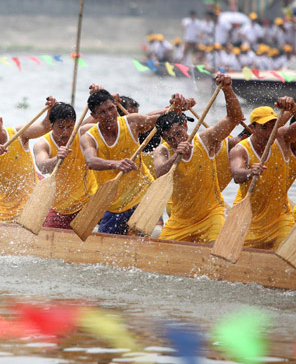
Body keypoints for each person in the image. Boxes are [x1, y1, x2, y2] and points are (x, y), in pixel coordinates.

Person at [80, 89, 190, 235]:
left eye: (111, 109)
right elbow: (91, 161)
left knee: (143, 240)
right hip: (115, 205)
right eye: (102, 112)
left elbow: (160, 119)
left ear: (115, 106)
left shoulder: (132, 122)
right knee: (105, 247)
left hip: (144, 194)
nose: (109, 115)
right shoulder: (89, 137)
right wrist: (115, 164)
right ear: (94, 115)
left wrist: (177, 106)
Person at [153, 74, 243, 243]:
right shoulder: (162, 151)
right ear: (164, 139)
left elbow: (234, 118)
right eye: (170, 139)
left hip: (211, 216)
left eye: (178, 134)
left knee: (215, 254)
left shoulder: (205, 139)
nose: (176, 140)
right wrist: (176, 156)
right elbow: (159, 173)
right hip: (180, 220)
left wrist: (227, 89)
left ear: (185, 126)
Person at [0, 98, 56, 223]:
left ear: (1, 121)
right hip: (4, 209)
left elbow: (45, 126)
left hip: (32, 204)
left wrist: (50, 110)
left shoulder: (19, 134)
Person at [229, 99, 296, 250]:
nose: (269, 133)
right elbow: (236, 175)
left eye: (273, 127)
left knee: (287, 251)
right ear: (252, 128)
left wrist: (293, 108)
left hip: (280, 220)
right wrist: (250, 172)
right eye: (264, 128)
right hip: (249, 222)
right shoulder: (240, 150)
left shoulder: (282, 137)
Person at [33, 102, 97, 229]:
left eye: (70, 127)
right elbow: (42, 166)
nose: (66, 132)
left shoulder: (81, 134)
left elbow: (107, 123)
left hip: (87, 201)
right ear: (51, 125)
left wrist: (100, 97)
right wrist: (57, 159)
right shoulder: (42, 144)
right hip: (60, 207)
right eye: (61, 127)